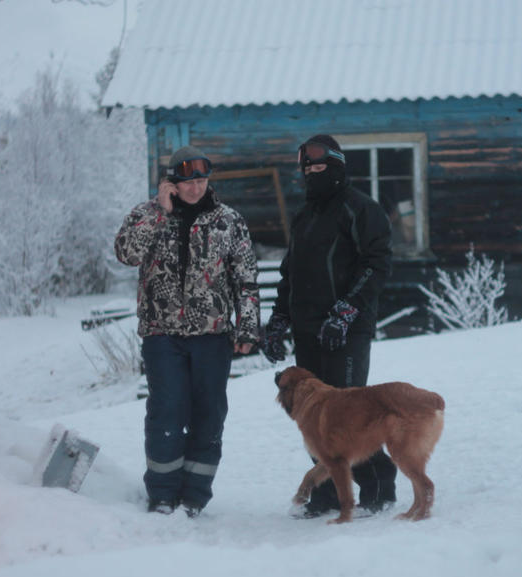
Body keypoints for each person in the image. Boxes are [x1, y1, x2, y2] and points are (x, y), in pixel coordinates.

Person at [114, 145, 259, 516]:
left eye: (201, 180)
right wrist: (158, 212)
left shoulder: (228, 221)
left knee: (209, 415)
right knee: (167, 411)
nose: (195, 188)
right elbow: (127, 254)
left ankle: (194, 496)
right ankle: (162, 495)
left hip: (212, 336)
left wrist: (247, 328)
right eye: (187, 181)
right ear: (171, 182)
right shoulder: (146, 215)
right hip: (162, 335)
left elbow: (245, 279)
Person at [262, 134, 397, 518]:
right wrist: (278, 321)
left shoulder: (361, 209)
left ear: (337, 168)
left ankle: (378, 490)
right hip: (307, 331)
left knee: (349, 420)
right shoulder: (304, 217)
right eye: (308, 169)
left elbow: (376, 265)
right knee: (311, 419)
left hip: (346, 332)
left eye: (321, 168)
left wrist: (346, 312)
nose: (313, 175)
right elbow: (290, 274)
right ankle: (323, 496)